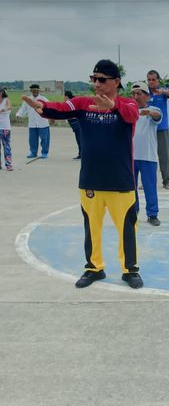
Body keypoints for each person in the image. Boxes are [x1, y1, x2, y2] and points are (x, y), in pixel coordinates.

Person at [21, 59, 143, 289]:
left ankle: (130, 270)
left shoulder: (128, 103)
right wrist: (42, 107)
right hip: (90, 180)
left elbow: (131, 116)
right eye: (93, 79)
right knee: (92, 228)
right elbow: (61, 108)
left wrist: (112, 106)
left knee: (127, 228)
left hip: (121, 181)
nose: (96, 83)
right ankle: (94, 268)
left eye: (101, 79)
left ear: (116, 82)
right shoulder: (83, 103)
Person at [130, 81, 162, 226]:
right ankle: (133, 212)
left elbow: (157, 116)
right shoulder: (129, 110)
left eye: (139, 94)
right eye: (133, 94)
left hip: (148, 157)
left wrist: (147, 112)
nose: (136, 97)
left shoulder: (153, 109)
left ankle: (152, 214)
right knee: (131, 187)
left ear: (147, 96)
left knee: (150, 187)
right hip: (131, 156)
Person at [146, 70, 169, 189]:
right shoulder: (144, 93)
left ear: (158, 80)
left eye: (153, 79)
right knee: (147, 156)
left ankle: (167, 181)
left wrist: (163, 91)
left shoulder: (163, 92)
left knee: (164, 155)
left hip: (162, 128)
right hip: (148, 129)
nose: (151, 82)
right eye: (149, 79)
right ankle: (146, 181)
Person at [17, 83, 51, 158]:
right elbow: (23, 109)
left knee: (44, 139)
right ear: (31, 91)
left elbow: (49, 108)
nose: (35, 91)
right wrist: (19, 115)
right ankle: (33, 152)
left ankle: (44, 153)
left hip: (43, 123)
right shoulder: (28, 100)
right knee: (32, 140)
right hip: (32, 123)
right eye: (34, 90)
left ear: (39, 91)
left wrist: (51, 117)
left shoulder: (43, 99)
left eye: (37, 90)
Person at [65, 90, 81, 159]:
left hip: (76, 123)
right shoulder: (71, 101)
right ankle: (81, 154)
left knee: (79, 139)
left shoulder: (69, 103)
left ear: (66, 96)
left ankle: (82, 154)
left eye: (64, 96)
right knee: (79, 139)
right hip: (76, 123)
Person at [0, 88, 13, 171]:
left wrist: (4, 109)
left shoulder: (6, 100)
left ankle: (9, 164)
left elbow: (9, 106)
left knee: (6, 146)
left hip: (5, 127)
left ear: (2, 93)